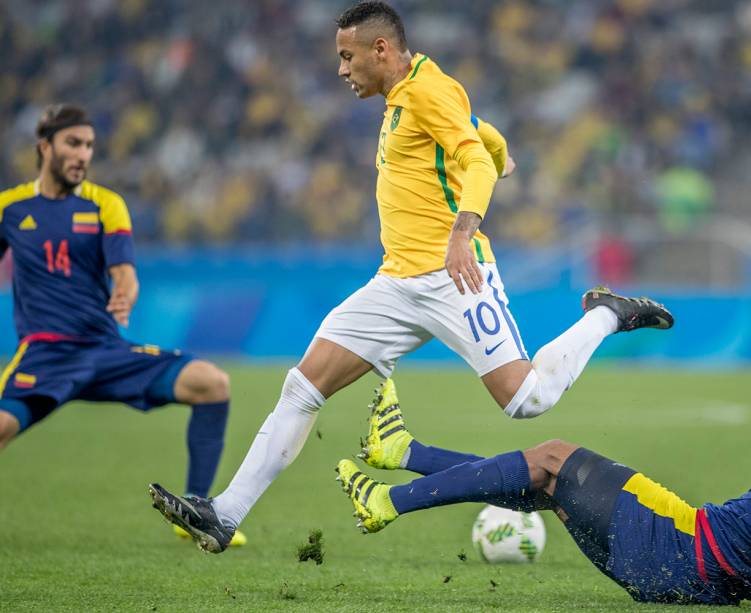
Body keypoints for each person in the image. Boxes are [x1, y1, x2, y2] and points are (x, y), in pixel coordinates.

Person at [148, 0, 672, 553]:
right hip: (396, 284)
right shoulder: (408, 95)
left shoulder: (427, 89)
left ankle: (607, 316)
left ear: (381, 49)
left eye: (348, 57)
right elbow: (477, 134)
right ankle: (225, 514)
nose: (342, 69)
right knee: (303, 386)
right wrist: (502, 150)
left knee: (526, 401)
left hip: (455, 277)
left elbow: (470, 158)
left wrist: (463, 232)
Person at [336, 373, 751, 605]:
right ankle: (404, 453)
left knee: (552, 457)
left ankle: (385, 500)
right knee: (545, 484)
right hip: (713, 588)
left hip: (684, 544)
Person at [0, 104, 244, 546]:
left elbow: (125, 271)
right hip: (46, 354)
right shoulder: (10, 208)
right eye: (73, 143)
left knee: (213, 383)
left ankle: (193, 511)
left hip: (105, 351)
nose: (83, 154)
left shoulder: (105, 204)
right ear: (45, 147)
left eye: (89, 145)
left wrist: (126, 288)